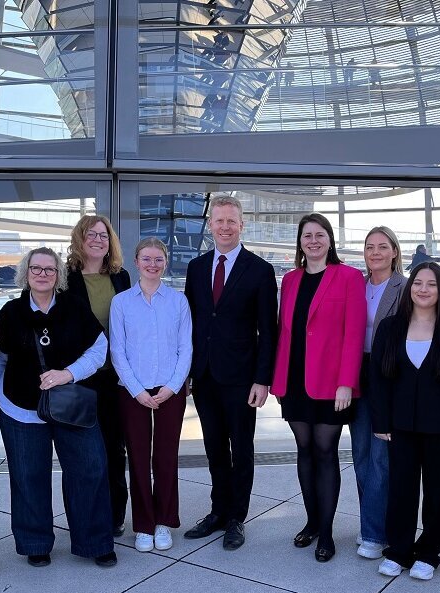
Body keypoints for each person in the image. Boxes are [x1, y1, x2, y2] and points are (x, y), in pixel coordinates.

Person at [0, 248, 117, 568]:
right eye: (36, 268)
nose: (43, 274)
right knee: (28, 475)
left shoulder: (75, 307)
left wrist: (67, 374)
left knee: (89, 468)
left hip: (71, 404)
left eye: (50, 269)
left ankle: (95, 541)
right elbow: (0, 359)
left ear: (59, 275)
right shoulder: (10, 312)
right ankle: (35, 542)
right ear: (26, 273)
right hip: (21, 408)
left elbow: (99, 347)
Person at [370, 262, 440, 580]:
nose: (424, 289)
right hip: (399, 427)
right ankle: (398, 551)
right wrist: (381, 421)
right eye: (418, 283)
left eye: (431, 284)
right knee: (400, 489)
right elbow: (378, 379)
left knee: (436, 492)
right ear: (410, 286)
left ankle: (429, 553)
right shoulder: (390, 327)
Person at [183, 194, 278, 551]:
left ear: (242, 225)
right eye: (219, 221)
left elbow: (269, 330)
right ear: (211, 226)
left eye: (231, 221)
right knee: (213, 448)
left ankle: (237, 517)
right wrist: (189, 372)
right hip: (205, 375)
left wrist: (262, 378)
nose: (225, 227)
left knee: (242, 448)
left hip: (242, 377)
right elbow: (192, 324)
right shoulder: (196, 267)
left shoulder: (259, 270)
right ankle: (218, 510)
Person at [271, 213, 366, 562]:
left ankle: (326, 532)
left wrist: (346, 383)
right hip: (294, 380)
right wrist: (277, 380)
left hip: (331, 382)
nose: (313, 240)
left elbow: (354, 334)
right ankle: (311, 522)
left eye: (319, 234)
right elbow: (286, 332)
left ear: (330, 239)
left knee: (325, 453)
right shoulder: (291, 279)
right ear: (299, 242)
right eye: (307, 235)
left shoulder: (349, 277)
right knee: (304, 450)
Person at [110, 238, 192, 553]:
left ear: (165, 263)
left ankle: (163, 521)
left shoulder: (177, 301)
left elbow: (186, 347)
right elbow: (117, 350)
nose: (153, 265)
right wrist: (137, 391)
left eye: (159, 259)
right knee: (139, 458)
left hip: (170, 389)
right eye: (147, 259)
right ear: (136, 261)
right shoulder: (122, 303)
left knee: (166, 457)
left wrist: (172, 386)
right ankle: (143, 523)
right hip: (133, 391)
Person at [65, 214, 132, 537]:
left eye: (104, 235)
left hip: (113, 378)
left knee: (114, 449)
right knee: (82, 451)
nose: (98, 240)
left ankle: (114, 514)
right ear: (80, 239)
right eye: (91, 235)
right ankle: (85, 515)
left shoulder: (121, 277)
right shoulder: (66, 278)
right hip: (79, 377)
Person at [349, 226, 406, 560]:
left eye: (382, 247)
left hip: (389, 375)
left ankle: (375, 532)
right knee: (360, 454)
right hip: (357, 373)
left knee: (380, 457)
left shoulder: (405, 286)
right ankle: (370, 522)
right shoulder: (356, 283)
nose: (375, 252)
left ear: (394, 252)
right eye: (369, 247)